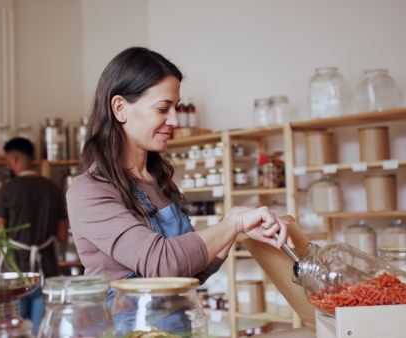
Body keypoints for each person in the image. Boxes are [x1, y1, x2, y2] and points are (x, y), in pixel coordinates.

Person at [66, 47, 294, 335]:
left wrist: (232, 227)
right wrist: (232, 223)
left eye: (175, 107)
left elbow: (190, 274)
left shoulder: (160, 181)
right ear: (120, 108)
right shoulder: (89, 191)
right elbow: (162, 263)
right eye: (163, 109)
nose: (174, 120)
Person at [0, 137, 68, 335]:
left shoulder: (6, 191)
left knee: (14, 331)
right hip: (46, 272)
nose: (6, 164)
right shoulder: (54, 189)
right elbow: (61, 235)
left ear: (14, 158)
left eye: (6, 160)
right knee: (42, 330)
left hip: (14, 273)